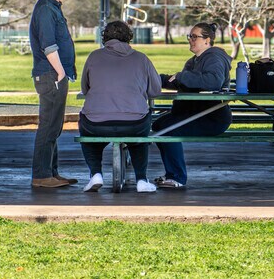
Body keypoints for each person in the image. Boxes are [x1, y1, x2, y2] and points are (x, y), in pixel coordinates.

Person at [79, 21, 162, 193]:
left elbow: (85, 89)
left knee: (89, 138)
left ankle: (95, 174)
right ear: (129, 37)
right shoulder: (141, 58)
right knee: (138, 141)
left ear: (105, 37)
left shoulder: (94, 57)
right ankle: (141, 179)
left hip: (96, 123)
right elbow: (155, 90)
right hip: (134, 122)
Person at [152, 22, 232, 189]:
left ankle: (177, 177)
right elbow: (184, 82)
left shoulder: (214, 57)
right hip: (195, 113)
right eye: (190, 36)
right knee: (159, 124)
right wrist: (155, 79)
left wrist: (181, 76)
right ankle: (170, 173)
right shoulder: (195, 60)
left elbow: (213, 81)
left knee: (169, 130)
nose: (191, 40)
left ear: (207, 40)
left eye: (195, 36)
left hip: (212, 116)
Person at [29, 0, 77, 188]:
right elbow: (49, 45)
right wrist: (60, 72)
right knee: (48, 125)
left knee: (55, 125)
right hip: (51, 75)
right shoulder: (46, 9)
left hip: (54, 74)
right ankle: (41, 176)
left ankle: (51, 173)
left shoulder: (53, 8)